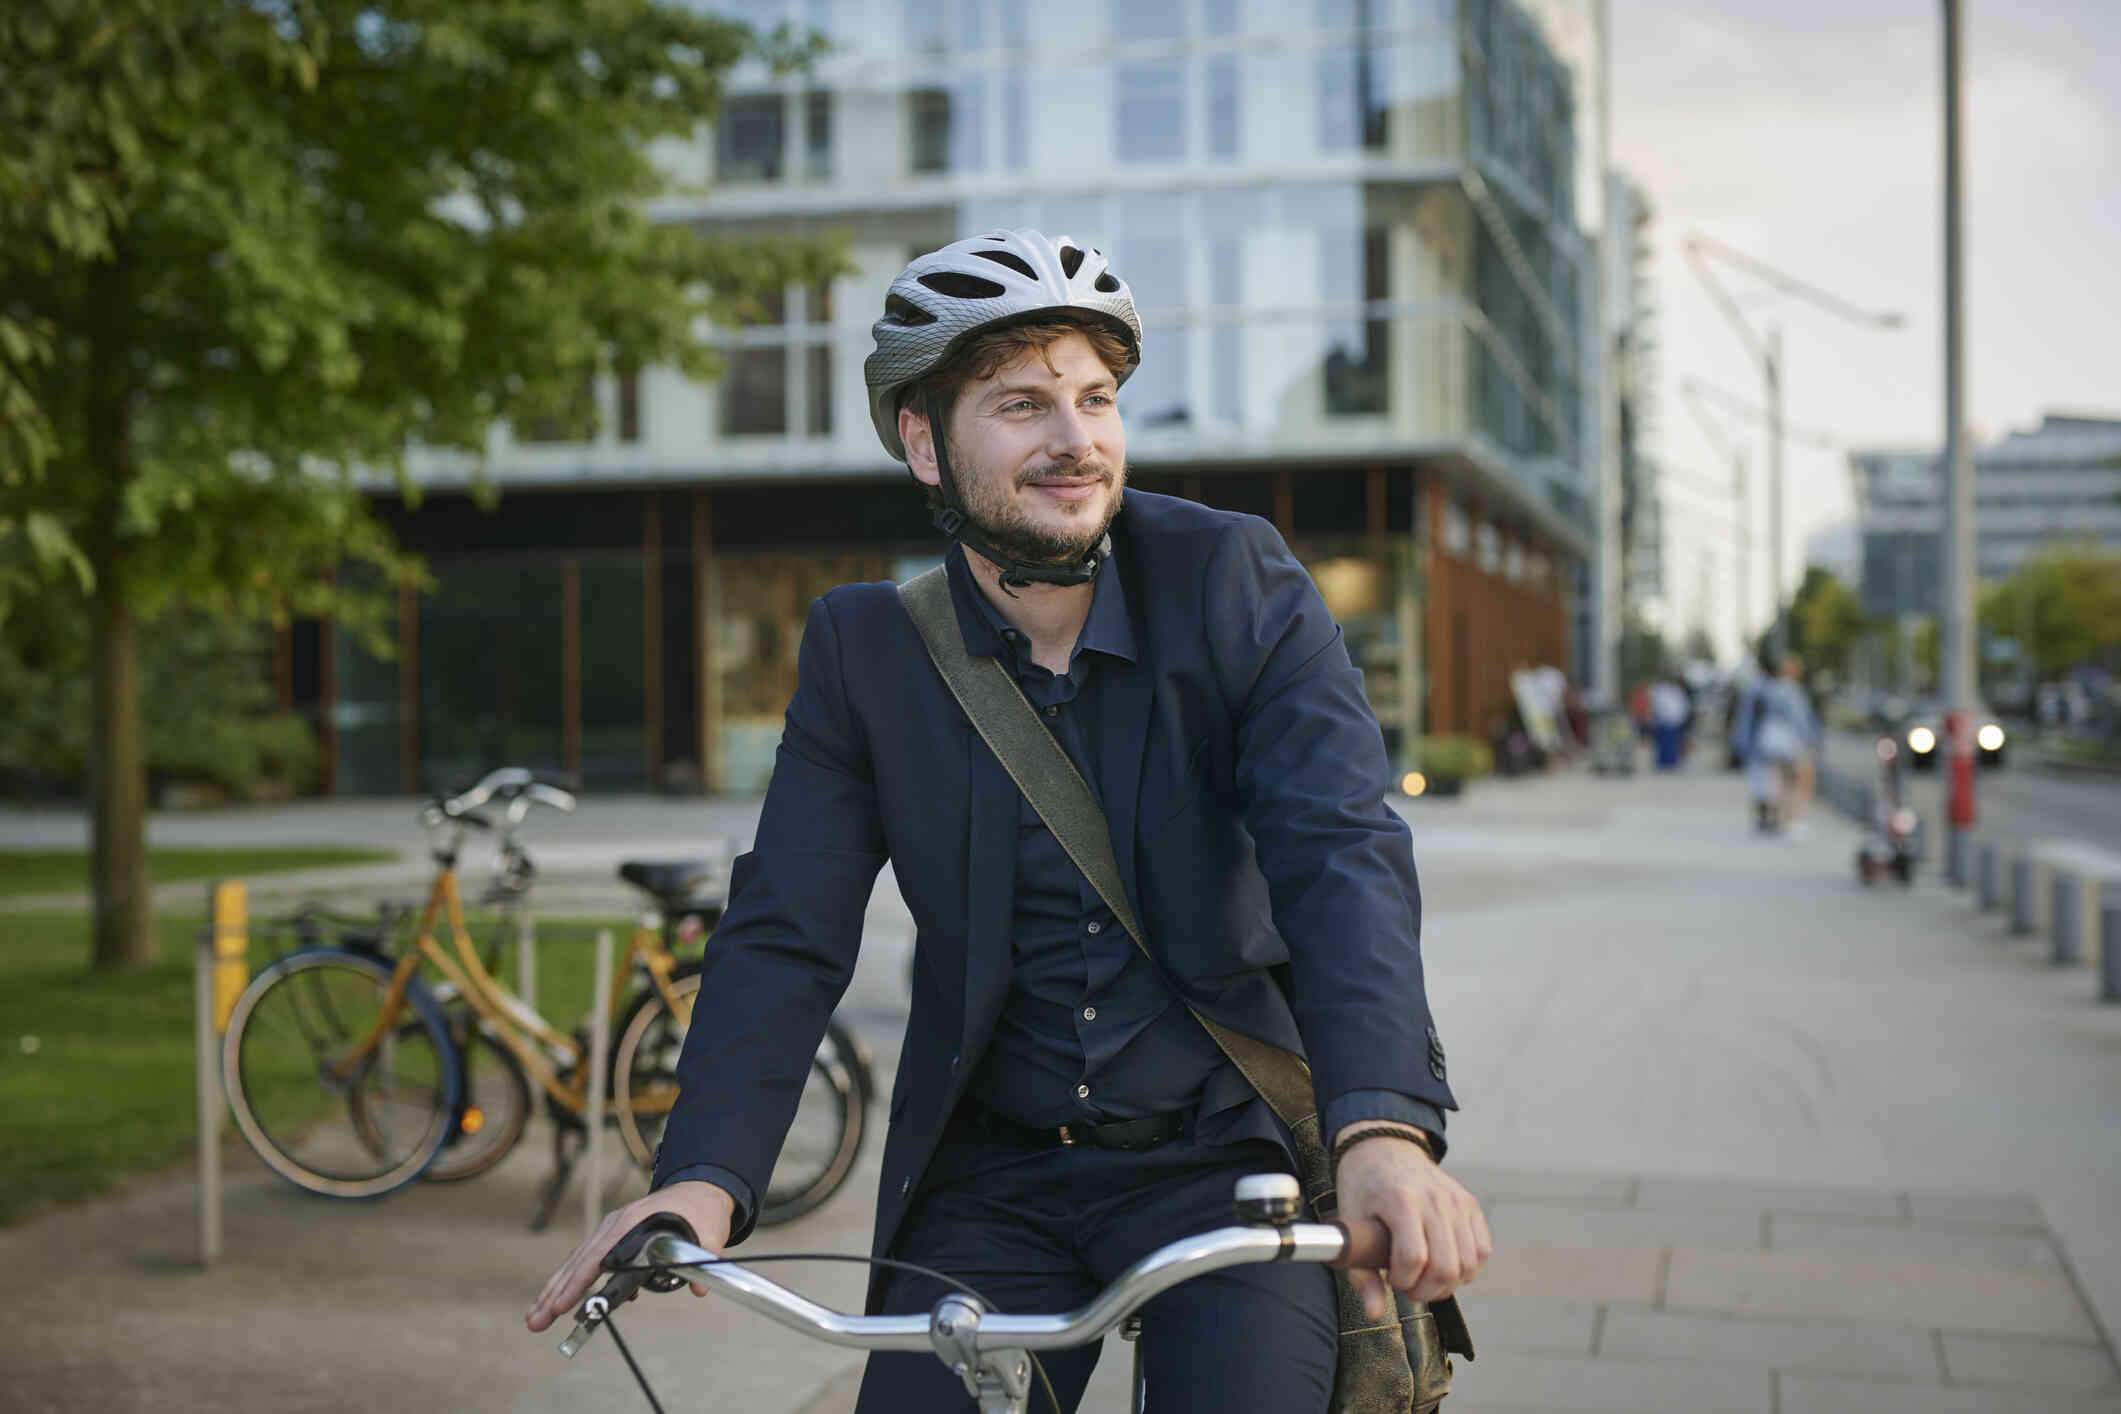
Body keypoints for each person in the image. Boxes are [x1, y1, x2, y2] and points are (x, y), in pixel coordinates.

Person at [525, 229, 1489, 1411]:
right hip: (993, 1175)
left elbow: (1340, 853)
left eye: (1095, 398)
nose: (1075, 440)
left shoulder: (1236, 583)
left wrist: (1381, 1129)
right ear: (925, 442)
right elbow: (787, 925)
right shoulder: (864, 651)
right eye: (1022, 404)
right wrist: (706, 1179)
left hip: (1223, 1163)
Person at [1736, 654, 1820, 834]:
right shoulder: (1792, 691)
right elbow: (1800, 720)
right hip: (1791, 741)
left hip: (1769, 739)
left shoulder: (1769, 689)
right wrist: (1810, 740)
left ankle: (1780, 819)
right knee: (1796, 781)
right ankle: (1793, 821)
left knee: (1779, 781)